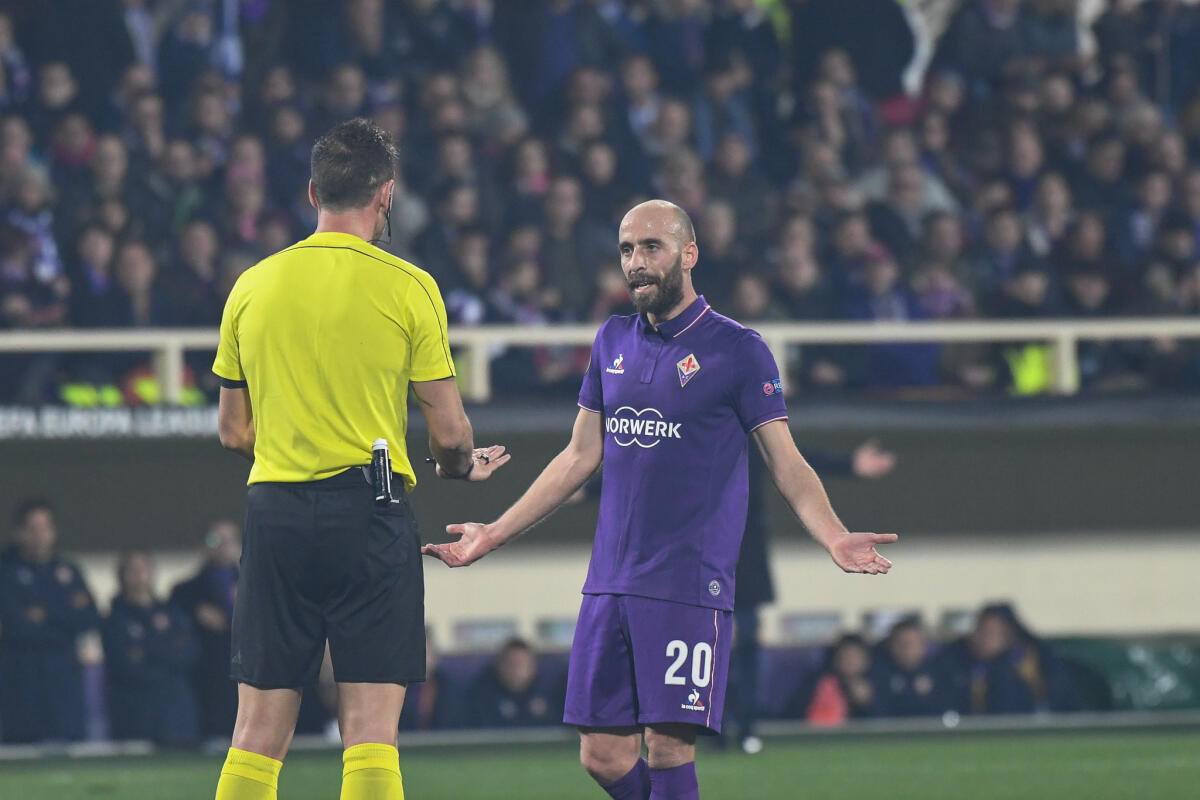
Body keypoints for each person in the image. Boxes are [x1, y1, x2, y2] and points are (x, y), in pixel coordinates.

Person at [425, 199, 897, 800]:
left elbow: (786, 460)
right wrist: (491, 533)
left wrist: (833, 534)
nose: (636, 262)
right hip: (610, 581)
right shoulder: (611, 340)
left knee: (667, 747)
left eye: (651, 247)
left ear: (688, 254)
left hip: (687, 585)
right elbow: (577, 457)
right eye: (626, 249)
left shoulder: (738, 349)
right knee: (601, 755)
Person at [209, 117, 509, 800]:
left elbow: (231, 430)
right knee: (370, 733)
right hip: (370, 516)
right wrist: (458, 468)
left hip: (276, 511)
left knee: (255, 734)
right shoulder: (408, 287)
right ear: (385, 196)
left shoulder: (252, 286)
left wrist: (296, 440)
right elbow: (452, 433)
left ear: (314, 192)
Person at [729, 440, 896, 753]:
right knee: (708, 648)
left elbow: (794, 461)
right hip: (691, 561)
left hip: (744, 562)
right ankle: (709, 727)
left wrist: (847, 465)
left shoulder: (747, 437)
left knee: (745, 646)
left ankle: (744, 728)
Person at [0, 498, 99, 743]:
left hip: (63, 682)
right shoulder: (6, 570)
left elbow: (89, 618)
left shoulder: (68, 570)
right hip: (20, 682)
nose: (40, 536)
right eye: (33, 528)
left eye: (45, 528)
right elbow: (16, 626)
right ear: (18, 532)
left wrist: (45, 614)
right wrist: (64, 617)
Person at [102, 550, 200, 744]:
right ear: (122, 576)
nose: (139, 576)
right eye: (133, 570)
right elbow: (124, 666)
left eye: (144, 569)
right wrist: (166, 647)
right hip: (134, 714)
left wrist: (145, 650)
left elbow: (190, 655)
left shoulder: (174, 614)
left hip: (175, 713)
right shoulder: (113, 620)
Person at [170, 520, 242, 741]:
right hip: (206, 681)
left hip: (249, 678)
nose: (223, 546)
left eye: (230, 540)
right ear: (203, 545)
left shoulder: (258, 586)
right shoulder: (185, 593)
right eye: (216, 540)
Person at [467, 637, 562, 728]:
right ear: (499, 666)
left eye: (522, 665)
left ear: (533, 667)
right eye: (511, 664)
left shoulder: (548, 694)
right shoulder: (481, 696)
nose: (516, 671)